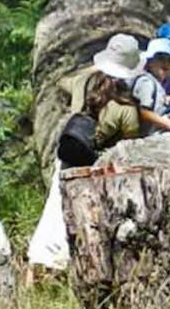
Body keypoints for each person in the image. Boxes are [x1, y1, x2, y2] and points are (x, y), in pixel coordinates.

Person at [28, 34, 145, 271]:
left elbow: (62, 82)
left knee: (53, 218)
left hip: (69, 156)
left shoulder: (82, 82)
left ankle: (39, 265)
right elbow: (131, 147)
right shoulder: (126, 108)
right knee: (90, 225)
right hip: (98, 171)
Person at [130, 39, 170, 135]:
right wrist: (166, 123)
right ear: (149, 62)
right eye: (161, 58)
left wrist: (168, 115)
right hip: (146, 135)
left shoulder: (157, 83)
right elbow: (144, 112)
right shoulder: (146, 82)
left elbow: (158, 104)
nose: (166, 63)